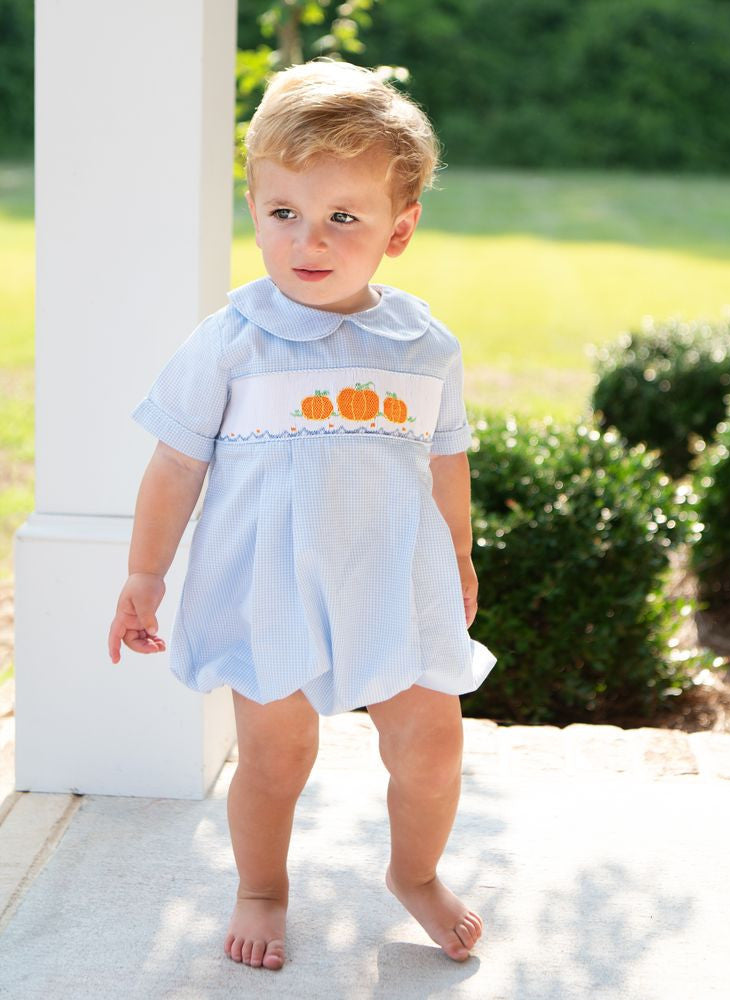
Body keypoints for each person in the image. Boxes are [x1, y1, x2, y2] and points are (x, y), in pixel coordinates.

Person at [108, 59, 496, 972]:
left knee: (432, 744)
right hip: (269, 581)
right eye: (284, 213)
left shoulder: (424, 347)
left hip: (393, 581)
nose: (307, 240)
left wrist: (461, 556)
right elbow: (174, 464)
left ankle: (415, 872)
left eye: (342, 218)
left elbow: (447, 459)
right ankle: (262, 887)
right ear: (256, 209)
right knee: (277, 753)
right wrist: (144, 573)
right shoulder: (234, 339)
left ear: (399, 231)